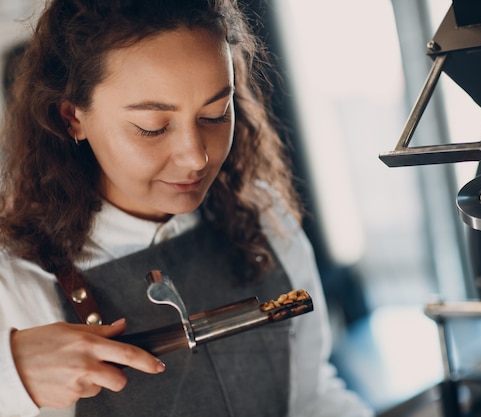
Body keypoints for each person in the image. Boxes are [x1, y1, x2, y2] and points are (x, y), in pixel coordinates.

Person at [0, 1, 375, 416]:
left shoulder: (260, 214)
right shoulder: (16, 280)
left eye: (216, 114)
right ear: (73, 117)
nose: (196, 157)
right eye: (153, 128)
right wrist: (10, 377)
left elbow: (311, 396)